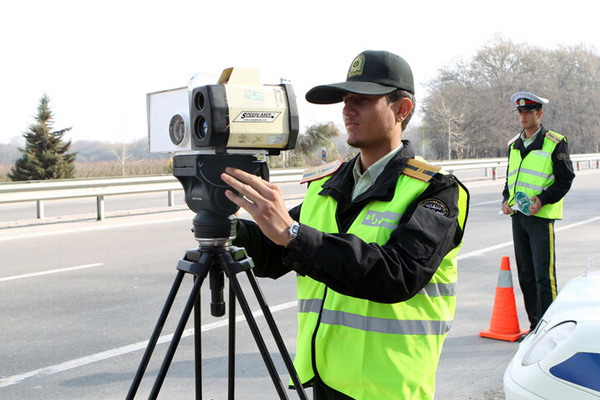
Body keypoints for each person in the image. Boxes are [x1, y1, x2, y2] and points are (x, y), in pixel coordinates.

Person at [221, 50, 470, 400]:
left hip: (389, 387)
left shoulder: (435, 189)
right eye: (345, 100)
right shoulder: (327, 185)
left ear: (402, 109)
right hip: (326, 379)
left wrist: (293, 234)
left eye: (363, 100)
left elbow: (398, 274)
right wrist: (226, 224)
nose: (347, 110)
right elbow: (275, 253)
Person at [502, 91, 575, 331]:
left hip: (540, 218)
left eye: (528, 112)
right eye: (520, 112)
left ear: (539, 114)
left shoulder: (554, 142)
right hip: (518, 217)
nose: (523, 116)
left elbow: (565, 179)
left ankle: (549, 327)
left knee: (544, 277)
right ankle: (535, 326)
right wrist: (505, 199)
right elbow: (510, 178)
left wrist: (543, 200)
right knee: (526, 274)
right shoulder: (514, 144)